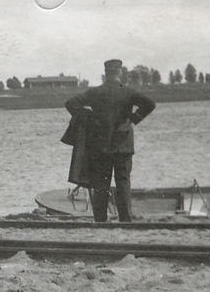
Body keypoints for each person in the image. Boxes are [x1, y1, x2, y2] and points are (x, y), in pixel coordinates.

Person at [64, 59, 156, 222]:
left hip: (101, 145)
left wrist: (89, 118)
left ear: (105, 73)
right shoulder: (127, 92)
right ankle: (126, 219)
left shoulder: (95, 92)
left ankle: (100, 220)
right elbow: (150, 104)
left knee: (101, 183)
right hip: (123, 144)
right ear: (120, 72)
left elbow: (70, 104)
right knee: (123, 182)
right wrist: (133, 119)